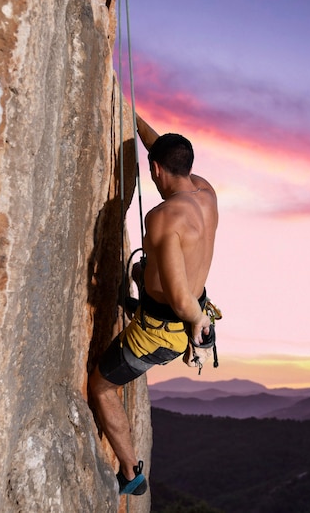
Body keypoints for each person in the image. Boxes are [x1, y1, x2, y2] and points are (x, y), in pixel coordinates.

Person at [89, 113, 218, 496]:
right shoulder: (206, 193)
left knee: (100, 387)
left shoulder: (162, 218)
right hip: (190, 312)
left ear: (157, 170)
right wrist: (136, 120)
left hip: (161, 330)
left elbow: (180, 300)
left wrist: (197, 325)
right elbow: (163, 148)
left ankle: (132, 474)